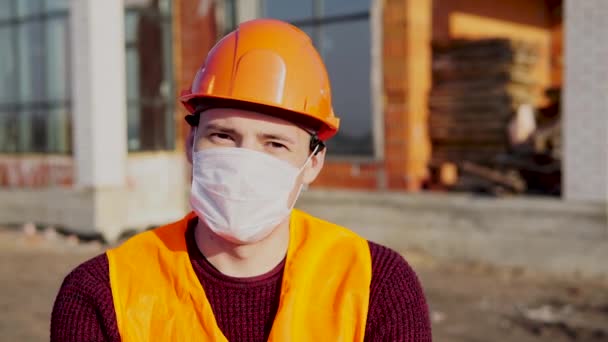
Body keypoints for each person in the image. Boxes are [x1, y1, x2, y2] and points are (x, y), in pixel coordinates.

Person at [51, 19, 431, 341]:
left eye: (275, 144)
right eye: (223, 136)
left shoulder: (376, 286)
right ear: (191, 144)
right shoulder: (103, 294)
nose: (245, 162)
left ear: (313, 163)